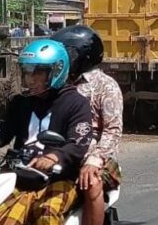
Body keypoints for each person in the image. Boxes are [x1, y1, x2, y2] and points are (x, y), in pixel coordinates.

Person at [0, 39, 93, 225]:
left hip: (58, 180)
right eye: (27, 71)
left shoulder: (76, 103)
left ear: (57, 71)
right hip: (19, 178)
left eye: (38, 72)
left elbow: (78, 144)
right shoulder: (21, 103)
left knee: (47, 215)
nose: (30, 79)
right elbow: (0, 134)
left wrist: (54, 157)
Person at [53, 26, 123, 225]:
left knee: (91, 182)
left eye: (67, 54)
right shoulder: (57, 82)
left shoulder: (106, 86)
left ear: (84, 55)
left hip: (96, 157)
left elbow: (113, 130)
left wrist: (95, 159)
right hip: (61, 150)